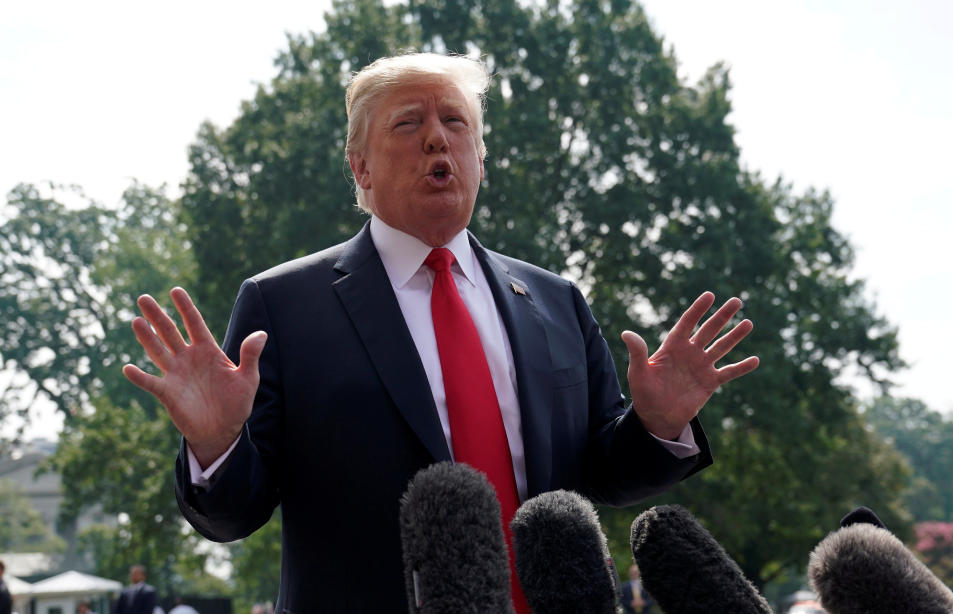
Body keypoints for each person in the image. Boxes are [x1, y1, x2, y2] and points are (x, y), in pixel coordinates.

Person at [123, 52, 759, 612]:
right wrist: (216, 447)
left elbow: (609, 477)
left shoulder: (555, 300)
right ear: (361, 168)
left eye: (455, 123)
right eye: (409, 123)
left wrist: (656, 427)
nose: (437, 140)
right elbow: (234, 515)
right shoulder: (282, 305)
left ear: (480, 158)